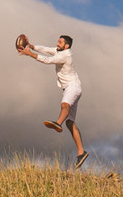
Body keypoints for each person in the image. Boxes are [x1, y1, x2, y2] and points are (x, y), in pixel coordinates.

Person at [19, 35, 88, 169]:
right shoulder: (59, 51)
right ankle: (81, 152)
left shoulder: (66, 55)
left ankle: (58, 123)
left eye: (60, 42)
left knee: (64, 105)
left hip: (72, 87)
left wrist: (30, 54)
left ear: (66, 46)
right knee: (70, 123)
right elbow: (46, 50)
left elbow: (47, 60)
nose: (57, 43)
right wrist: (32, 46)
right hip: (72, 88)